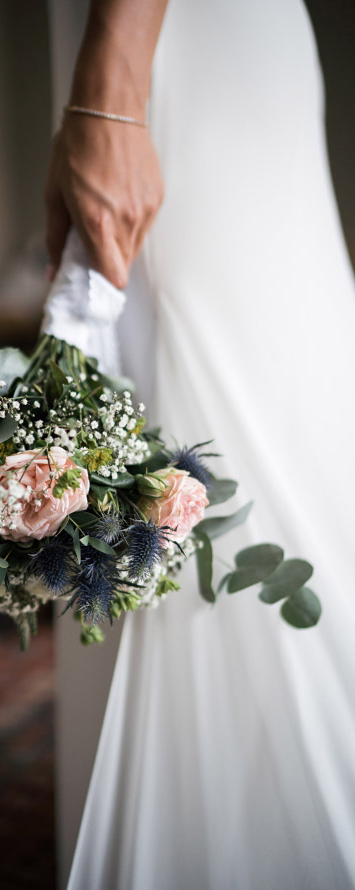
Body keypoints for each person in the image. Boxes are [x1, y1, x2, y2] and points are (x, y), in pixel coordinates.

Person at [44, 1, 355, 888]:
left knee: (246, 445)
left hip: (182, 45)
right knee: (130, 460)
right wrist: (82, 105)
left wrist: (110, 90)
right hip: (126, 52)